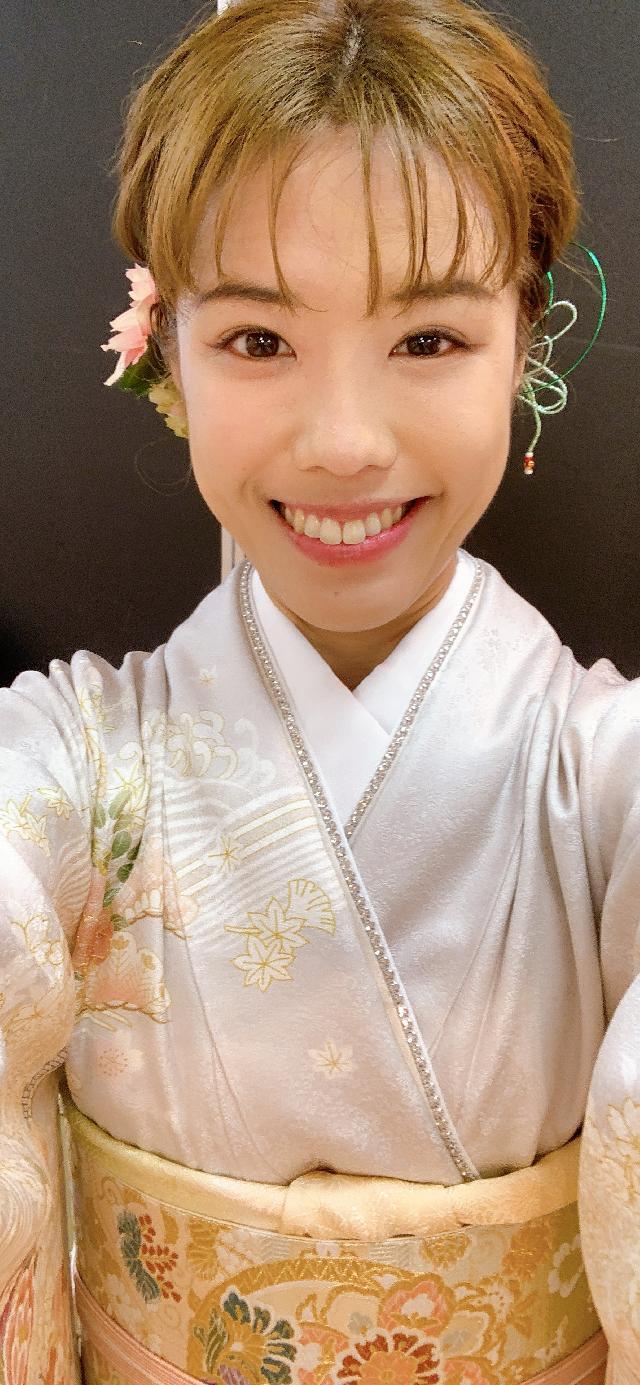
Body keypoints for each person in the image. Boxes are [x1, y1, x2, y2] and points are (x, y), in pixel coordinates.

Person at [0, 0, 637, 1380]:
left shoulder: (606, 776)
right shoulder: (72, 761)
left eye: (429, 341)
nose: (344, 442)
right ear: (165, 349)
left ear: (524, 340)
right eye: (258, 342)